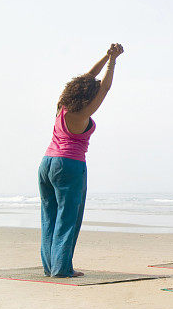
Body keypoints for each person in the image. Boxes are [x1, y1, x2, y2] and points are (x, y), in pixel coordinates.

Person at [38, 43, 124, 277]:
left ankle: (51, 266)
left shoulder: (62, 106)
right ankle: (62, 269)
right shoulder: (82, 114)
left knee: (49, 216)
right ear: (87, 95)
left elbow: (89, 77)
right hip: (69, 165)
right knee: (68, 218)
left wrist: (107, 55)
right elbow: (104, 87)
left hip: (47, 163)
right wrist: (114, 61)